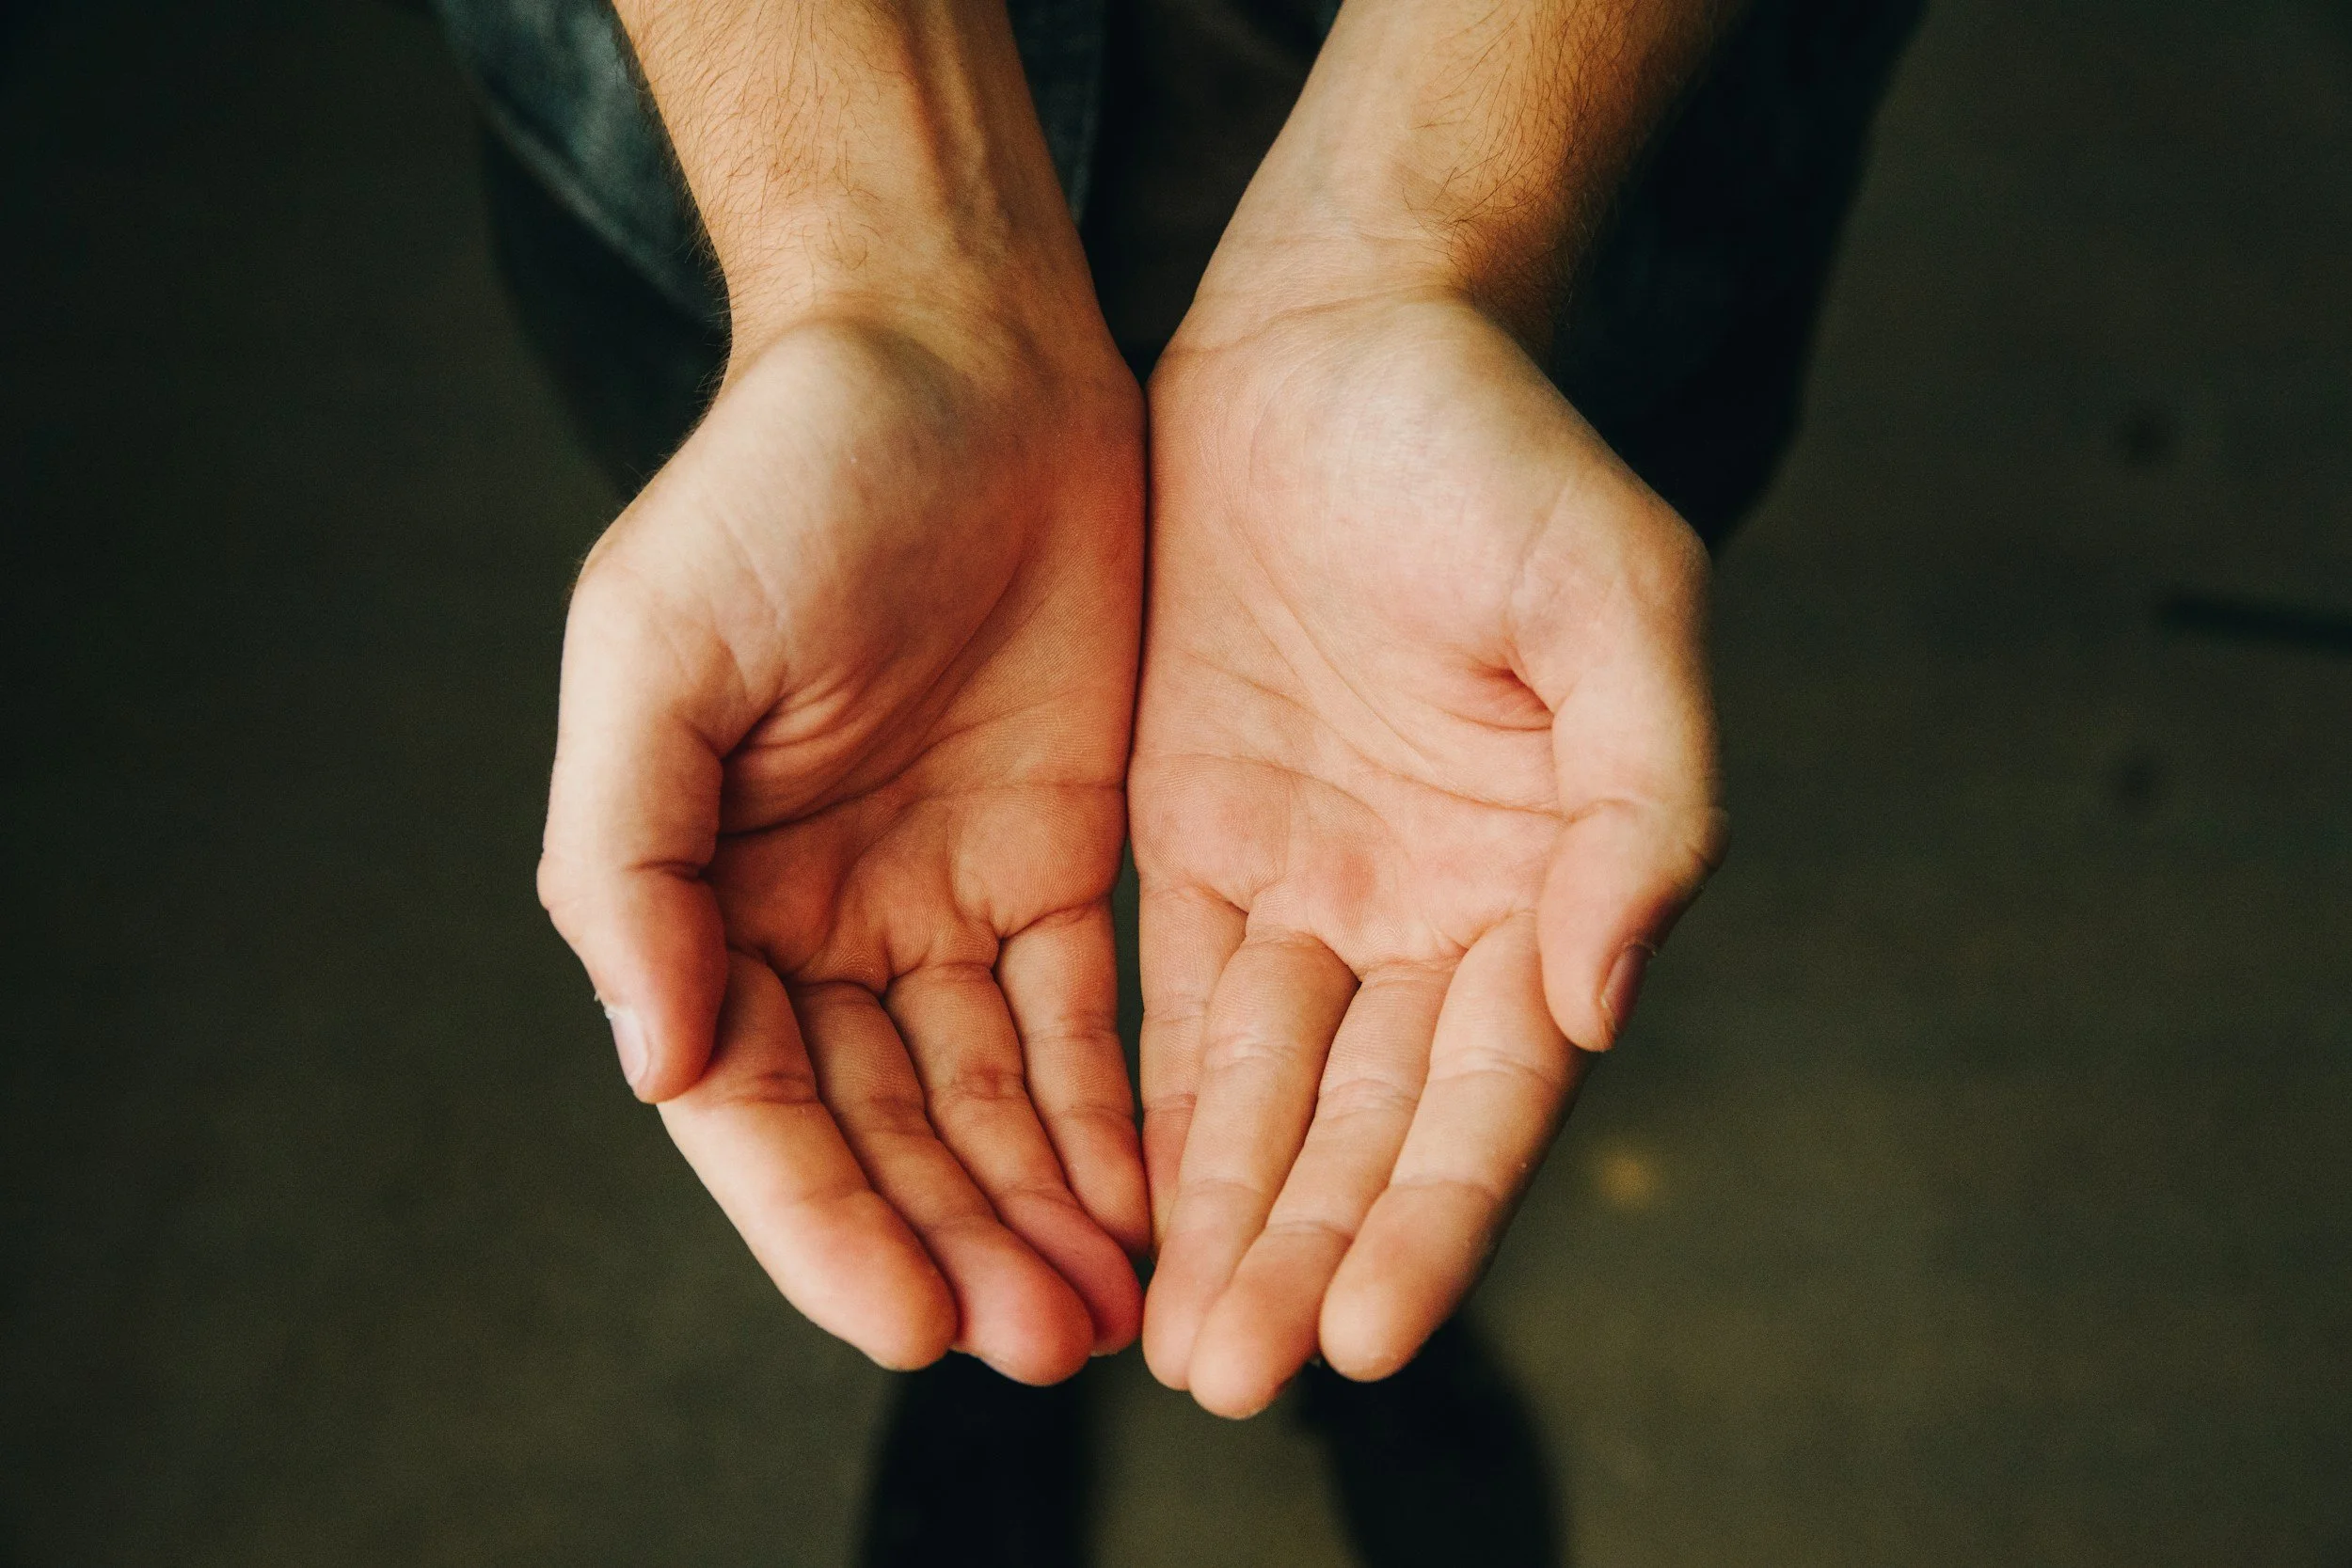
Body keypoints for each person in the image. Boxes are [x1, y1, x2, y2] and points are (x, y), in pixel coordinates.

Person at [435, 0, 1919, 1560]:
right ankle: (1027, 1306)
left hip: (1570, 153)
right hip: (751, 164)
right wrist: (868, 269)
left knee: (1447, 915)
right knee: (898, 912)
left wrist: (1427, 239)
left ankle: (1343, 1325)